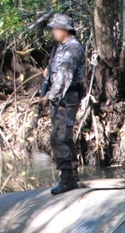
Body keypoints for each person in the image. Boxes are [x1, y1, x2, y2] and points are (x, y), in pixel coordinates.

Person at [41, 14, 85, 195]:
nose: (53, 32)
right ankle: (71, 176)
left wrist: (50, 96)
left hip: (65, 99)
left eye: (54, 29)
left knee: (59, 137)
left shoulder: (72, 48)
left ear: (63, 30)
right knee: (63, 136)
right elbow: (57, 71)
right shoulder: (61, 48)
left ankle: (68, 179)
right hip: (61, 99)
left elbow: (65, 76)